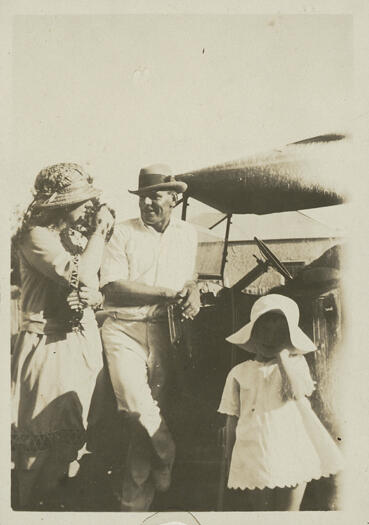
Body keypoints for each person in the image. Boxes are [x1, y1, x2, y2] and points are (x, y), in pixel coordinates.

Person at [11, 163, 115, 509]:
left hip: (80, 343)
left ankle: (57, 507)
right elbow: (82, 276)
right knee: (38, 441)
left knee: (71, 441)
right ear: (60, 203)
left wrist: (95, 297)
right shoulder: (36, 236)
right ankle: (27, 510)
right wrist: (99, 234)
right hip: (47, 345)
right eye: (82, 200)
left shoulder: (71, 238)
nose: (89, 207)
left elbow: (92, 289)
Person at [98, 163, 200, 511]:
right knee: (134, 406)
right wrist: (168, 294)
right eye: (142, 198)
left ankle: (134, 502)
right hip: (122, 330)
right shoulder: (122, 233)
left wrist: (193, 290)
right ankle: (167, 451)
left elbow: (189, 277)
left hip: (163, 332)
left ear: (173, 198)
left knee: (143, 417)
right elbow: (113, 287)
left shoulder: (188, 234)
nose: (147, 204)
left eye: (154, 197)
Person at [218, 294, 343, 511]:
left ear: (290, 337)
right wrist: (231, 457)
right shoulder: (239, 373)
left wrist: (283, 358)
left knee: (288, 515)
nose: (270, 339)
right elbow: (231, 417)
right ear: (252, 334)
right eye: (264, 331)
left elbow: (296, 392)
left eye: (280, 334)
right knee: (263, 515)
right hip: (254, 452)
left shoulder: (296, 365)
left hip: (291, 448)